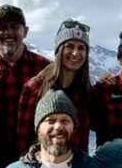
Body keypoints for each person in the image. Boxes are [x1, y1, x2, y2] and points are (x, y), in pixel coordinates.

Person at [0, 4, 50, 165]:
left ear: (25, 31)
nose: (8, 33)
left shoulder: (45, 67)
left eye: (14, 27)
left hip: (34, 157)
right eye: (2, 27)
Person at [16, 20, 93, 153]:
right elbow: (23, 138)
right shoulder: (35, 87)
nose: (75, 53)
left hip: (78, 165)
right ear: (58, 49)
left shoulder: (86, 89)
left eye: (81, 48)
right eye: (69, 46)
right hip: (43, 165)